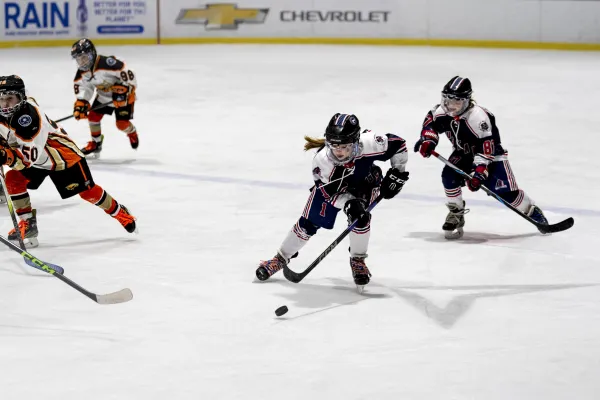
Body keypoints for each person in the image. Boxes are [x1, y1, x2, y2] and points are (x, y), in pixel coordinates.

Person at [256, 113, 409, 288]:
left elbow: (399, 145)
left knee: (360, 220)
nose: (338, 152)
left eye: (344, 146)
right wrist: (349, 204)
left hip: (363, 183)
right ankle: (280, 258)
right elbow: (329, 195)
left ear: (355, 141)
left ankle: (358, 261)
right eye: (334, 146)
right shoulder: (322, 162)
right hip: (333, 191)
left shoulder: (371, 143)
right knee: (308, 223)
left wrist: (398, 173)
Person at [0, 75, 137, 248]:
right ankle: (28, 224)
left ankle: (119, 212)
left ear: (21, 97)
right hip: (36, 158)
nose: (5, 105)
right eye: (1, 99)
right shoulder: (5, 112)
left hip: (61, 157)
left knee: (88, 192)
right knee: (14, 178)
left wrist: (5, 156)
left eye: (10, 99)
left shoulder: (30, 119)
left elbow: (26, 159)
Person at [414, 76, 548, 239]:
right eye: (447, 100)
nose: (451, 105)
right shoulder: (441, 112)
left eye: (457, 101)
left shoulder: (479, 118)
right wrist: (428, 140)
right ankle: (456, 213)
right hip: (463, 153)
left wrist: (479, 173)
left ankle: (532, 211)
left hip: (491, 156)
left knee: (507, 194)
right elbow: (430, 124)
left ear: (466, 101)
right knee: (448, 176)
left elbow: (486, 150)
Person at [71, 38, 139, 158]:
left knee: (122, 124)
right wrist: (81, 102)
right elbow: (84, 87)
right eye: (79, 59)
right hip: (104, 96)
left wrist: (129, 89)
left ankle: (132, 132)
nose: (82, 62)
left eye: (84, 57)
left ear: (92, 54)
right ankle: (96, 143)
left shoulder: (107, 63)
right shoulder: (82, 72)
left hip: (122, 97)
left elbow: (126, 71)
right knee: (93, 117)